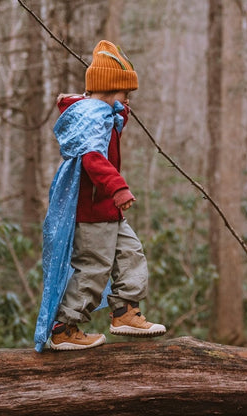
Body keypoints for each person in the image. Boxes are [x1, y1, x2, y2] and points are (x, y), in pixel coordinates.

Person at [42, 40, 166, 351]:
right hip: (93, 210)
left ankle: (124, 312)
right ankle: (64, 328)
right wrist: (117, 187)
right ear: (111, 89)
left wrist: (119, 110)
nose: (127, 100)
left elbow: (109, 131)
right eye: (125, 93)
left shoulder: (103, 113)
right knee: (94, 267)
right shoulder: (92, 116)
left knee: (131, 253)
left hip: (108, 210)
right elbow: (92, 158)